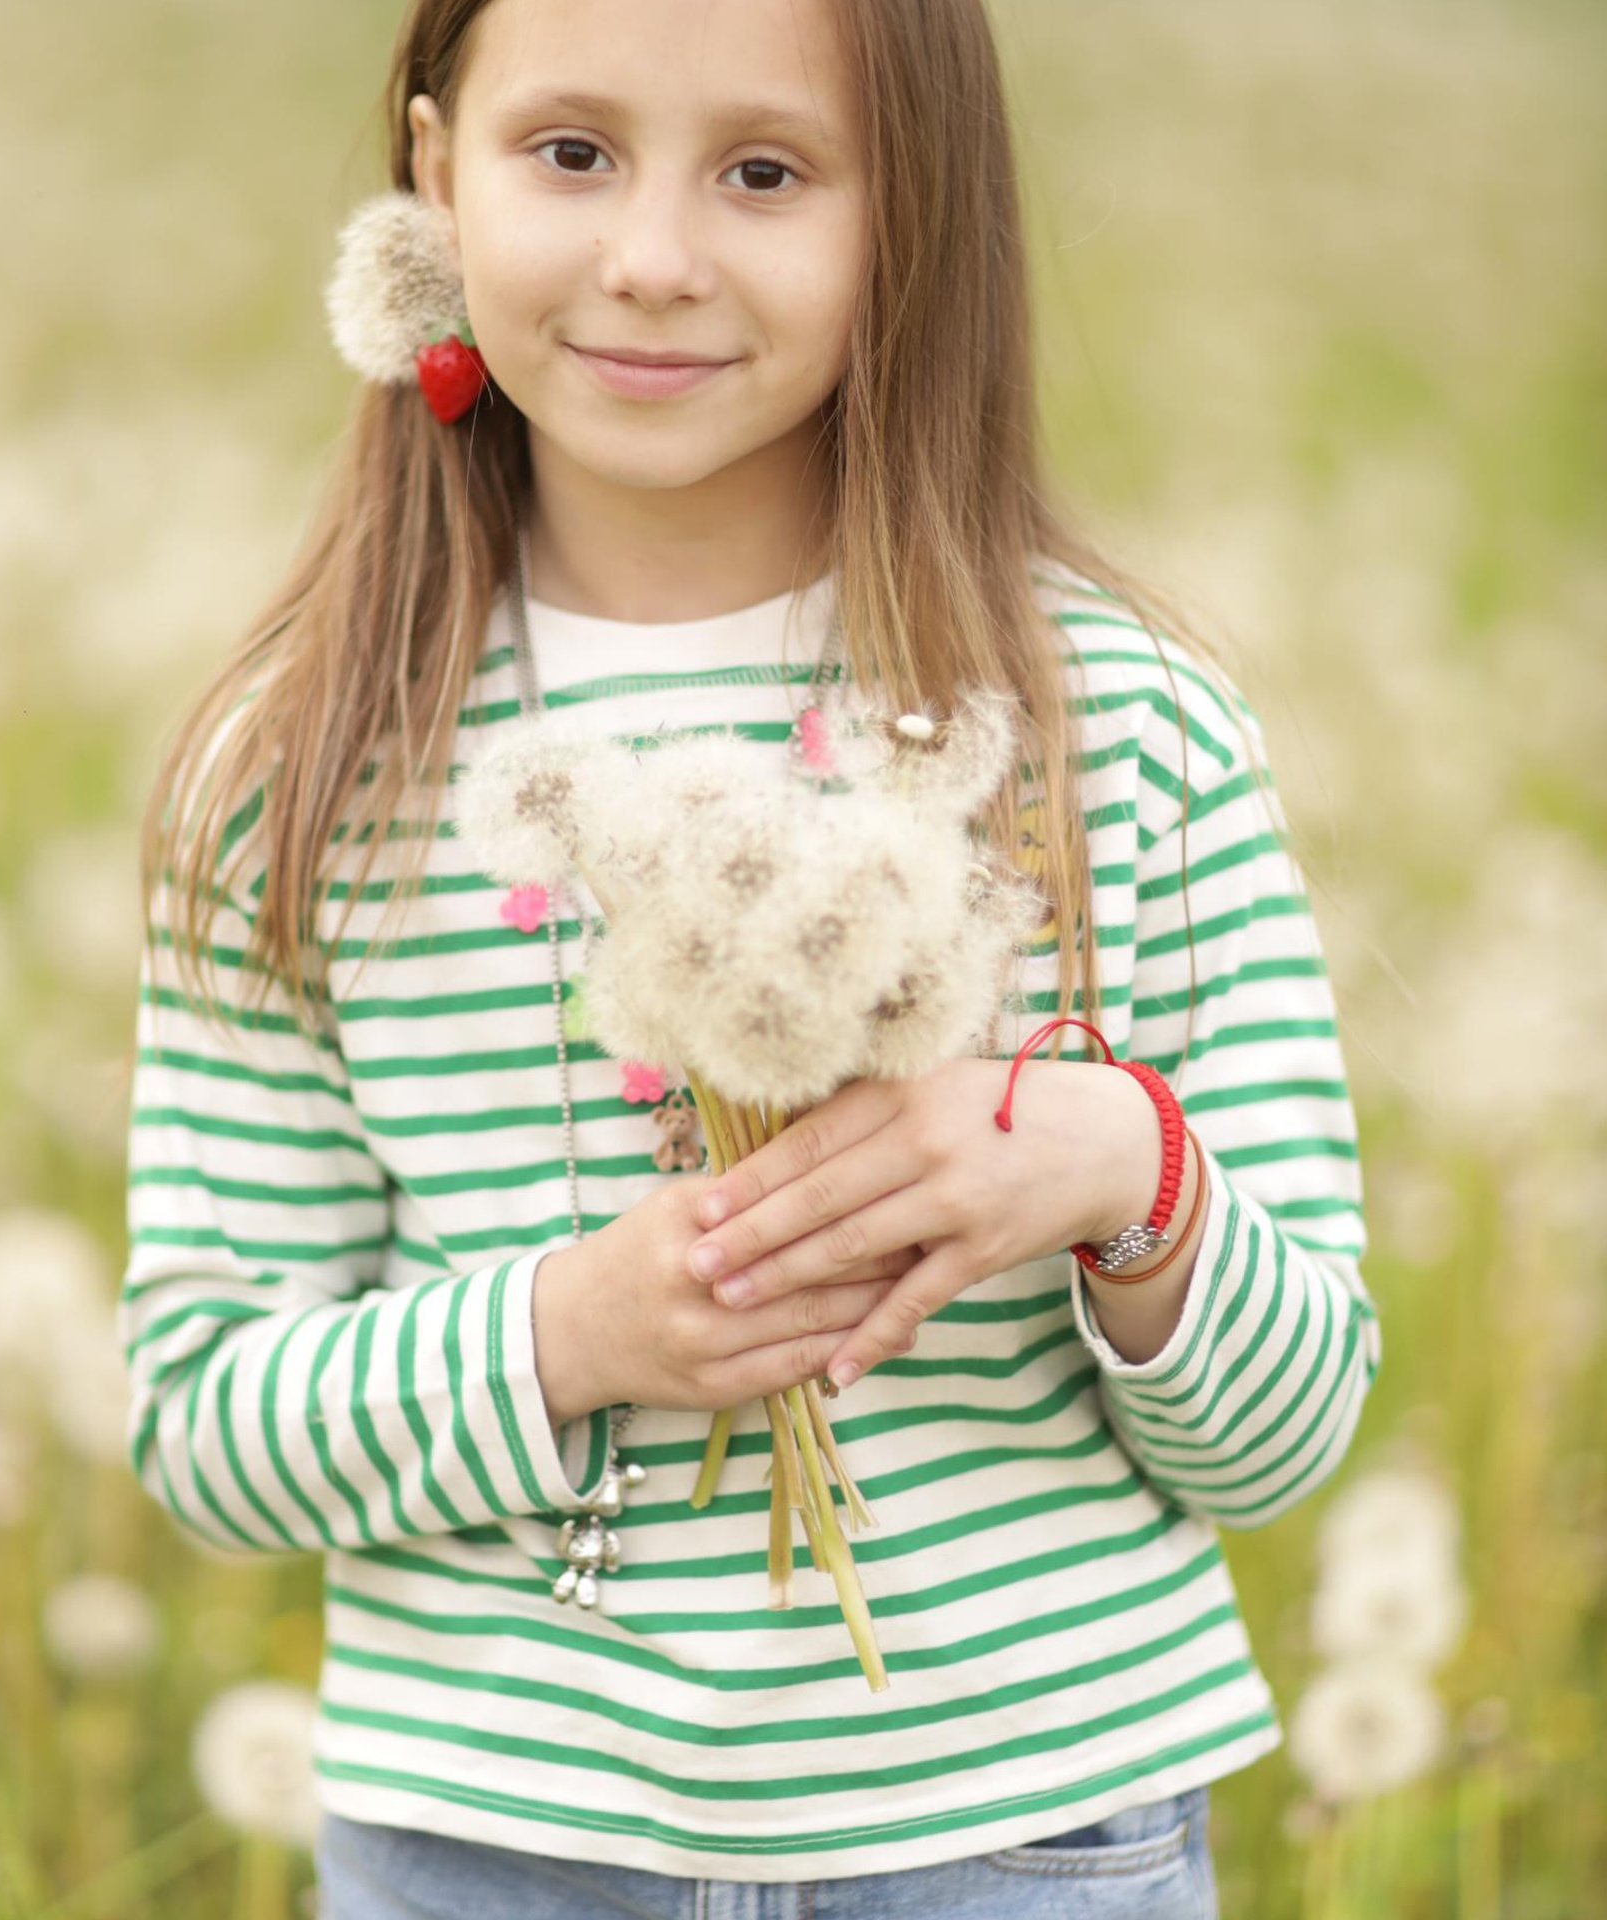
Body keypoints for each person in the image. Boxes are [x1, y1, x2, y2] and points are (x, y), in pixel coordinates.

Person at [116, 0, 1383, 1913]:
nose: (652, 256)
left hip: (1025, 1846)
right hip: (489, 1853)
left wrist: (1128, 1174)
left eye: (767, 173)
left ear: (918, 220)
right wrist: (571, 1337)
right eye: (570, 154)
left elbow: (1283, 1439)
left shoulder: (1116, 732)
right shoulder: (296, 778)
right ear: (433, 166)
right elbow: (205, 1419)